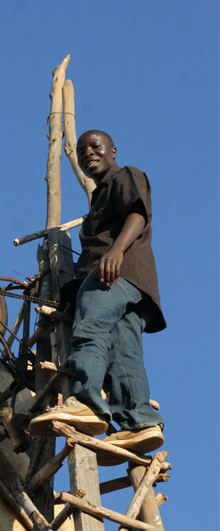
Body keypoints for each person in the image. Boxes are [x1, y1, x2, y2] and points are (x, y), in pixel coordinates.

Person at [29, 130, 166, 464]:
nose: (88, 152)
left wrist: (115, 252)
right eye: (80, 150)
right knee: (123, 352)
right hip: (135, 285)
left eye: (95, 146)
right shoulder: (99, 198)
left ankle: (86, 403)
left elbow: (138, 213)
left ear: (112, 150)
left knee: (89, 329)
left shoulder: (125, 176)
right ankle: (139, 422)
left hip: (113, 274)